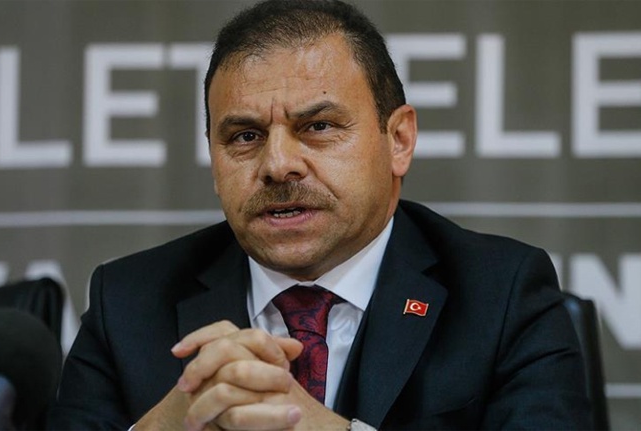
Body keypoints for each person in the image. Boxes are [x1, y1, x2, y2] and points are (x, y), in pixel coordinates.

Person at [49, 0, 593, 430]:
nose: (277, 164)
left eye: (318, 127)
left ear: (399, 140)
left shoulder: (501, 295)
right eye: (245, 136)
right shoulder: (129, 303)